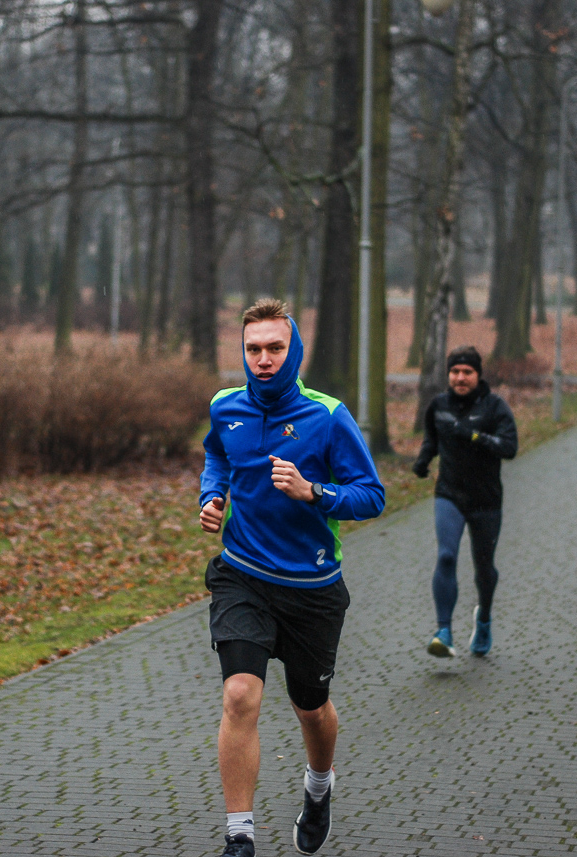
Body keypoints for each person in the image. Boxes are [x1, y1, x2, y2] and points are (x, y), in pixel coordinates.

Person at [198, 298, 385, 857]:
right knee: (239, 696)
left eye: (274, 348)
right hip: (243, 575)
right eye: (253, 349)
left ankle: (319, 787)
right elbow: (217, 457)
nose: (263, 359)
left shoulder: (327, 416)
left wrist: (315, 492)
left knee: (312, 708)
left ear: (294, 350)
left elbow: (371, 495)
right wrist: (212, 495)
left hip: (312, 588)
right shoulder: (224, 406)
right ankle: (240, 837)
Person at [412, 346, 518, 658]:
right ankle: (443, 631)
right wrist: (423, 460)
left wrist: (473, 435)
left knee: (484, 567)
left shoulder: (495, 407)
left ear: (477, 374)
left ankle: (483, 617)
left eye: (467, 372)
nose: (460, 377)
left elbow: (509, 447)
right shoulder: (439, 405)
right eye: (455, 372)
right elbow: (432, 439)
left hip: (486, 500)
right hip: (449, 495)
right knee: (446, 556)